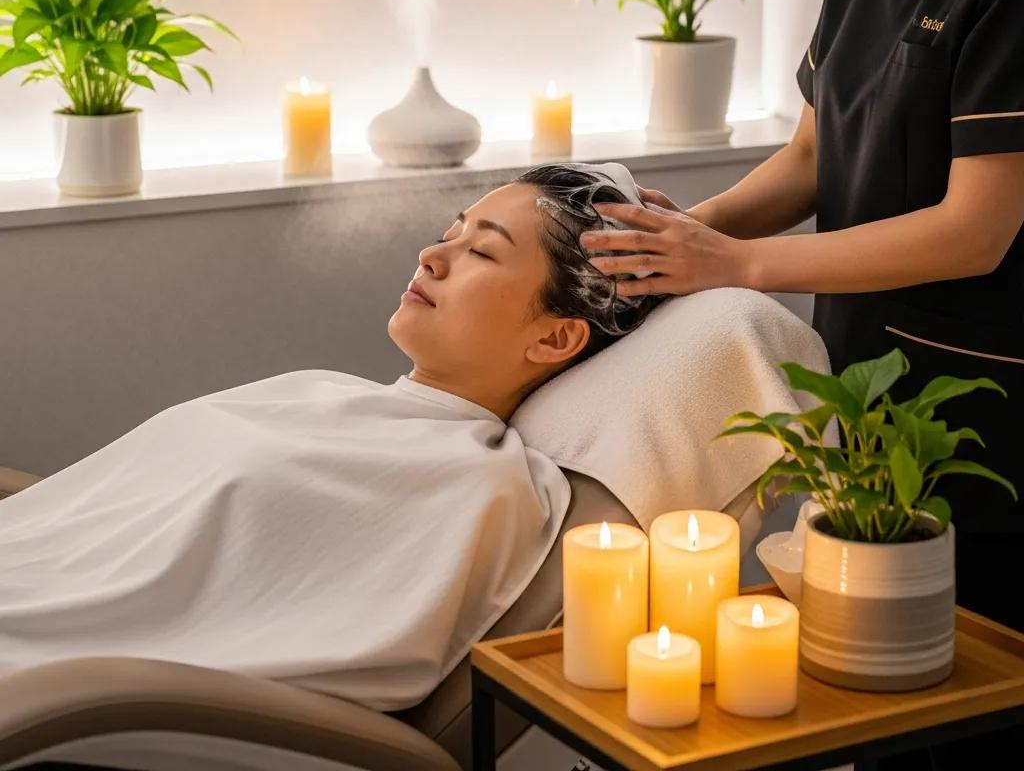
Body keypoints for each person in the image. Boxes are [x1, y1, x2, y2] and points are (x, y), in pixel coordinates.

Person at [579, 0, 1024, 766]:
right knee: (865, 699)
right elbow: (814, 156)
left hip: (986, 413)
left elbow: (976, 228)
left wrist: (730, 265)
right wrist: (680, 238)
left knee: (967, 705)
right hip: (863, 385)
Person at [0, 164, 665, 712]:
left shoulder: (477, 485)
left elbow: (346, 659)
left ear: (555, 336)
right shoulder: (320, 389)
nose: (432, 257)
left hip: (50, 688)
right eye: (449, 234)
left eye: (482, 252)